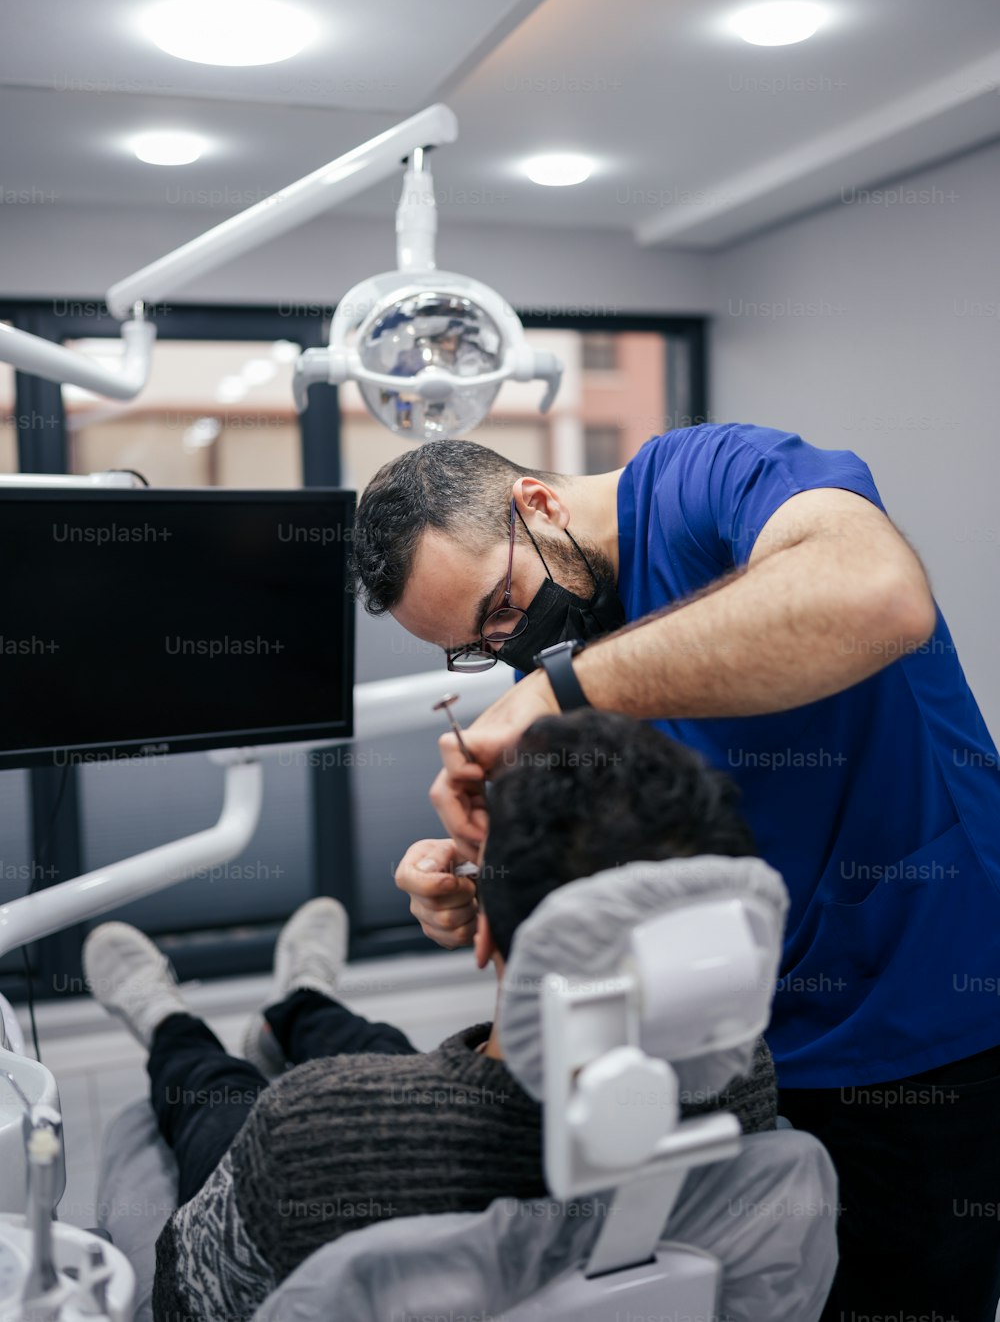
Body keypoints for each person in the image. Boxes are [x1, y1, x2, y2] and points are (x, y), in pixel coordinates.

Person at [352, 424, 1000, 1322]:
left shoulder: (709, 479)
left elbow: (878, 598)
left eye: (502, 605)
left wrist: (561, 691)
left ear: (536, 503)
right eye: (476, 646)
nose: (507, 648)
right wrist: (483, 880)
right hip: (754, 1034)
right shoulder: (570, 643)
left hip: (928, 1008)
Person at [84, 713, 797, 1322]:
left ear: (482, 934)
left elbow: (188, 1298)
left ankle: (169, 1021)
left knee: (214, 1096)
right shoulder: (743, 1087)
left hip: (301, 1163)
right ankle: (301, 1001)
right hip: (428, 1108)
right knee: (388, 1057)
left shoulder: (314, 1129)